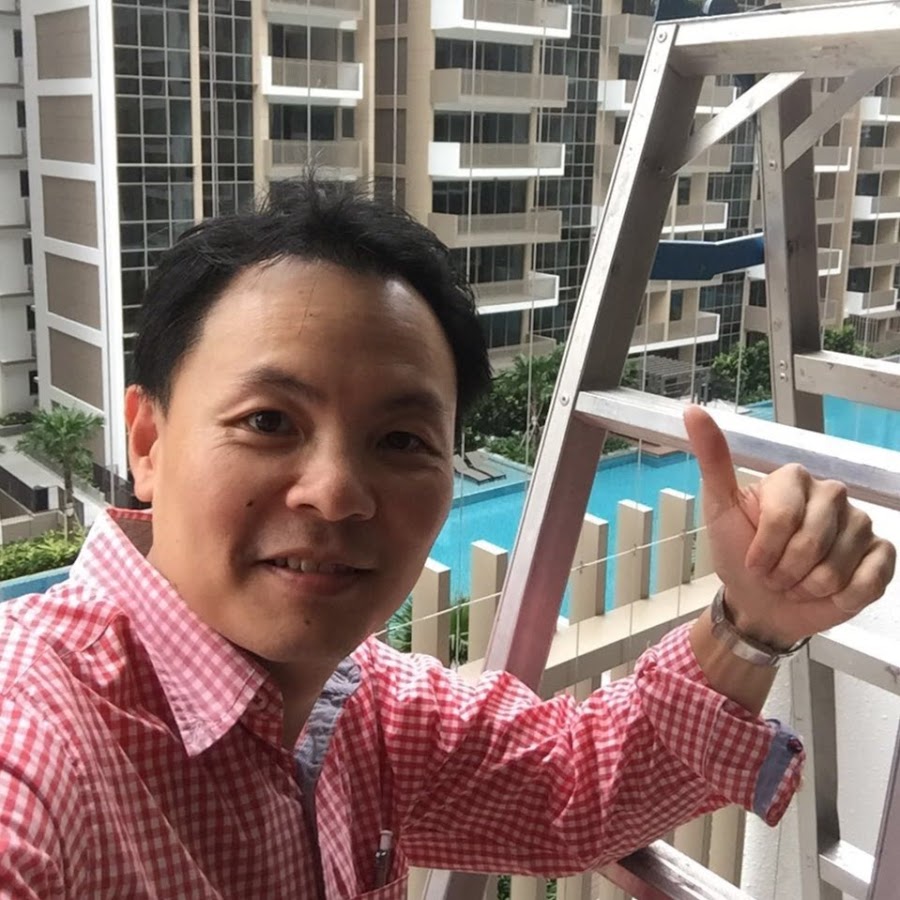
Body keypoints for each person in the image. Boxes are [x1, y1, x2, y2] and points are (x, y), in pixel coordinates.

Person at [0, 179, 894, 900]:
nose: (336, 492)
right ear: (148, 442)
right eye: (269, 421)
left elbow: (570, 789)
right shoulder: (41, 735)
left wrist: (753, 620)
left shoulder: (357, 708)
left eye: (400, 440)